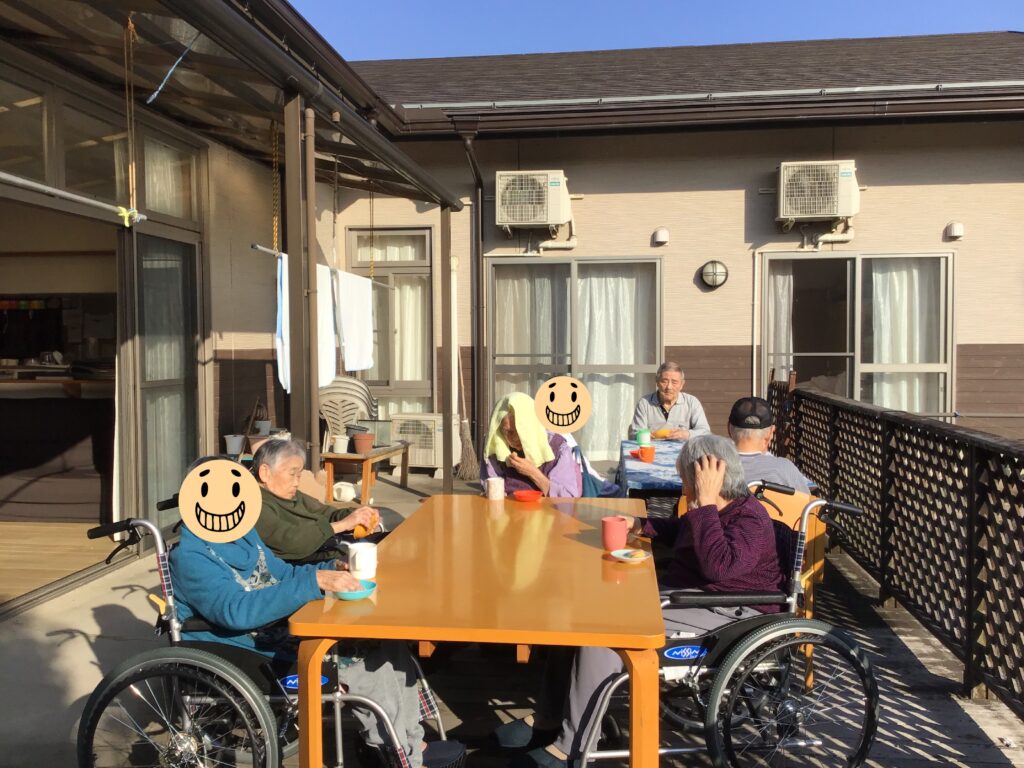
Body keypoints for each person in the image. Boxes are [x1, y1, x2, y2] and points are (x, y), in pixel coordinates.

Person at [499, 435, 784, 768]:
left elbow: (718, 566)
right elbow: (683, 530)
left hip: (730, 614)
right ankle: (549, 718)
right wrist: (642, 525)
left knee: (606, 634)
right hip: (694, 600)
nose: (683, 487)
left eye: (686, 480)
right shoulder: (716, 510)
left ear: (705, 479)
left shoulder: (749, 518)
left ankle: (572, 746)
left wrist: (704, 503)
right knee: (580, 613)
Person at [169, 458, 465, 768]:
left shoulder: (243, 534)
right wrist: (313, 583)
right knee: (362, 662)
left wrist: (330, 569)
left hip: (276, 628)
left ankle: (412, 741)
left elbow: (281, 573)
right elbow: (236, 612)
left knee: (387, 641)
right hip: (245, 647)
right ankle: (397, 753)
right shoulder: (191, 556)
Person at [253, 438, 402, 563]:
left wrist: (358, 515)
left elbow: (326, 512)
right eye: (292, 474)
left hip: (335, 548)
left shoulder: (291, 494)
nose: (297, 482)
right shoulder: (256, 505)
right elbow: (291, 541)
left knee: (398, 540)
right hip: (313, 566)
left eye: (299, 475)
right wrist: (342, 525)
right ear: (265, 472)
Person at [482, 392, 582, 498]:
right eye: (508, 431)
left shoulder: (557, 447)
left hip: (548, 507)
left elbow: (567, 497)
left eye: (519, 430)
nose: (514, 438)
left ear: (532, 426)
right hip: (509, 506)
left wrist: (533, 472)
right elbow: (492, 487)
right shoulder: (495, 445)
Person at [728, 396, 810, 494]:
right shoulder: (784, 468)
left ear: (729, 428)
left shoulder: (715, 468)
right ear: (770, 433)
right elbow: (808, 502)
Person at [628, 361, 710, 440]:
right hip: (653, 448)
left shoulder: (691, 402)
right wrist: (644, 436)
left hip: (684, 449)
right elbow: (635, 433)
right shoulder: (644, 403)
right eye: (664, 381)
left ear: (682, 384)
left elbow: (705, 432)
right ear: (657, 382)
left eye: (674, 382)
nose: (669, 387)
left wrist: (687, 434)